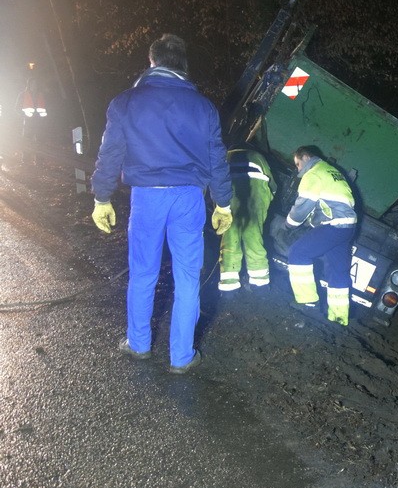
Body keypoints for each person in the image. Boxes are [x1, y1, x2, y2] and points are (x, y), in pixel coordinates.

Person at [90, 33, 233, 374]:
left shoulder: (126, 102)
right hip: (189, 198)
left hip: (147, 197)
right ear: (183, 65)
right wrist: (223, 203)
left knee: (143, 273)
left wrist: (101, 197)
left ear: (152, 62)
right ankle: (181, 357)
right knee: (187, 277)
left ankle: (138, 345)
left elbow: (110, 154)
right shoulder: (204, 107)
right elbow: (217, 159)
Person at [285, 145, 358, 326]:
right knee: (337, 271)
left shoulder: (314, 174)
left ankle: (308, 303)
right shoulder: (331, 171)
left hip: (334, 226)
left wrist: (288, 224)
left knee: (298, 253)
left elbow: (302, 207)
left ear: (306, 157)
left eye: (298, 163)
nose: (298, 168)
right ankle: (339, 318)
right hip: (348, 227)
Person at [218, 147, 276, 293]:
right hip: (256, 195)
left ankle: (228, 286)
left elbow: (216, 182)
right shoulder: (257, 155)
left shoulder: (227, 156)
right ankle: (260, 285)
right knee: (254, 236)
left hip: (230, 195)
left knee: (230, 238)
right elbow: (272, 185)